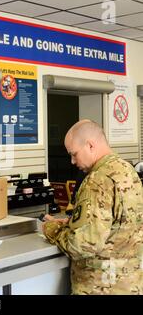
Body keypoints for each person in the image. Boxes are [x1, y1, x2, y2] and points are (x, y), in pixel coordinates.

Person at [42, 119, 143, 295]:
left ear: (90, 145)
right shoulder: (127, 170)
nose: (72, 161)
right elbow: (117, 224)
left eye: (74, 154)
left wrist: (54, 230)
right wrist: (71, 223)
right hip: (130, 285)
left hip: (100, 287)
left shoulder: (97, 180)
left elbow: (83, 245)